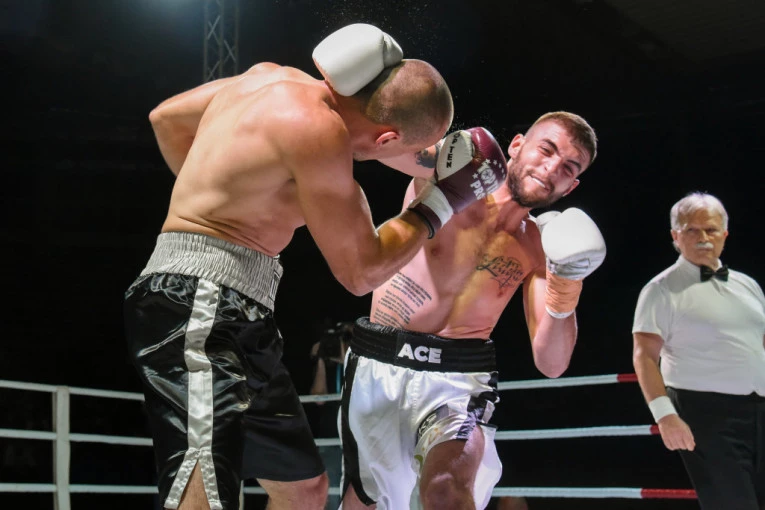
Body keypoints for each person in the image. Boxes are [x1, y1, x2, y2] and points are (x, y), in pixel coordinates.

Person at [123, 23, 507, 510]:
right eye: (408, 151)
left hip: (237, 309)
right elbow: (361, 273)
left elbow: (166, 119)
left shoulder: (267, 77)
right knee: (203, 488)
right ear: (387, 136)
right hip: (197, 301)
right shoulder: (319, 131)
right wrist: (440, 202)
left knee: (302, 489)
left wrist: (232, 193)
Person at [339, 111, 604, 509]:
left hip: (459, 380)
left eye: (569, 167)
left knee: (446, 490)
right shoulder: (453, 176)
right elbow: (376, 145)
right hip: (378, 363)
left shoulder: (539, 247)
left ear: (572, 186)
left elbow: (551, 363)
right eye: (547, 150)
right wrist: (444, 149)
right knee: (365, 502)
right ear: (517, 145)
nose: (552, 169)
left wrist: (567, 283)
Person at [632, 192, 765, 510]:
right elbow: (644, 355)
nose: (703, 237)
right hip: (704, 413)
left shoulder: (748, 285)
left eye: (711, 229)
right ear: (675, 236)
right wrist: (665, 416)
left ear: (725, 235)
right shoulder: (660, 289)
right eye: (692, 229)